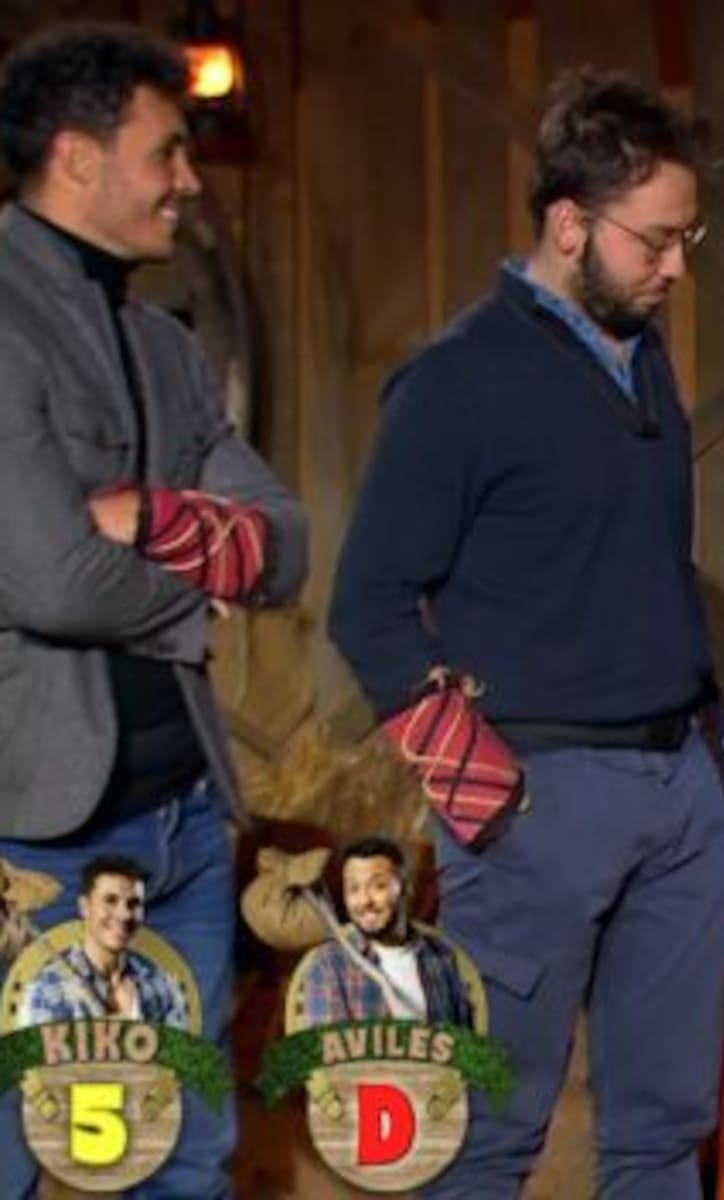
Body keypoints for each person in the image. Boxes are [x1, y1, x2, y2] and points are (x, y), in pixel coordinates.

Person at [329, 69, 724, 1200]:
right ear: (569, 224)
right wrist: (483, 799)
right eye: (655, 240)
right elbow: (367, 606)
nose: (676, 267)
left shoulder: (641, 357)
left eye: (687, 237)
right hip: (538, 798)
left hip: (678, 791)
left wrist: (712, 760)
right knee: (488, 1132)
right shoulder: (456, 383)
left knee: (664, 1132)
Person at [0, 21, 308, 1200]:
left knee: (188, 1156)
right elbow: (50, 578)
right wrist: (193, 595)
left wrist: (147, 513)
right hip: (34, 839)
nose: (187, 180)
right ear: (78, 158)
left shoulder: (167, 348)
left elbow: (284, 543)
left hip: (180, 821)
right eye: (165, 152)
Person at [296, 836, 473, 1029]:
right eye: (353, 889)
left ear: (406, 887)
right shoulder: (330, 965)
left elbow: (462, 1041)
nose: (365, 901)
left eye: (378, 886)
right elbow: (326, 1046)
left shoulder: (441, 958)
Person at [18, 855, 188, 1028]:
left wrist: (134, 1015)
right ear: (85, 907)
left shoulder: (160, 985)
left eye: (134, 903)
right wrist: (131, 1024)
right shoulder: (48, 990)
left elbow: (182, 1045)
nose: (125, 914)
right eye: (110, 900)